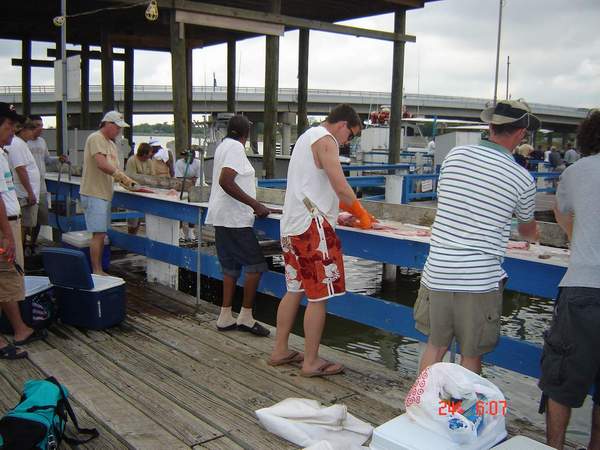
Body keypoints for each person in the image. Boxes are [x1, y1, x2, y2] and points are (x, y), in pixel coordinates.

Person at [414, 99, 539, 375]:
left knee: (435, 346)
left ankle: (420, 409)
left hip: (438, 271)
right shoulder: (522, 178)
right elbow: (526, 231)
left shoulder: (455, 156)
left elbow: (448, 199)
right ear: (521, 133)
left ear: (491, 126)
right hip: (479, 279)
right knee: (470, 355)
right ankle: (460, 415)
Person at [269, 104, 372, 377]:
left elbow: (311, 186)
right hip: (312, 229)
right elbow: (340, 185)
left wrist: (338, 214)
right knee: (319, 297)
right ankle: (311, 362)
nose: (348, 141)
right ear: (342, 125)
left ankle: (280, 349)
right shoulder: (327, 141)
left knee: (294, 289)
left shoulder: (306, 137)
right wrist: (362, 213)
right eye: (351, 135)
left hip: (292, 225)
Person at [538, 110, 600, 450]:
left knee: (560, 379)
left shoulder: (577, 172)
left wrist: (579, 239)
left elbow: (562, 210)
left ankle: (555, 446)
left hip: (584, 286)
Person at [205, 115, 273, 337]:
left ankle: (225, 316)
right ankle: (245, 316)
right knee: (255, 266)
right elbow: (226, 181)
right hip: (234, 219)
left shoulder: (224, 145)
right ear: (247, 132)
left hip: (221, 216)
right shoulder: (235, 148)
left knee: (231, 267)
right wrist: (256, 204)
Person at [0, 103, 46, 358]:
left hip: (9, 220)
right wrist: (7, 234)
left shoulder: (3, 152)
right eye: (8, 126)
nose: (12, 131)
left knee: (8, 281)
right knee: (5, 278)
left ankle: (20, 329)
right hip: (4, 223)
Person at [80, 111, 137, 275]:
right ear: (108, 124)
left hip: (105, 193)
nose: (119, 131)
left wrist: (125, 181)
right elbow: (101, 164)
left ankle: (98, 268)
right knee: (98, 234)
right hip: (94, 193)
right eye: (117, 127)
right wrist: (122, 177)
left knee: (102, 233)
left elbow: (114, 167)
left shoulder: (111, 144)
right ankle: (96, 270)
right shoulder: (96, 138)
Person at [26, 115, 67, 251]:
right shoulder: (24, 142)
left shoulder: (42, 142)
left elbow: (47, 160)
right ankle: (23, 242)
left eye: (41, 125)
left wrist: (59, 159)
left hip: (41, 186)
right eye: (37, 125)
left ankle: (33, 242)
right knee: (26, 219)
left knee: (41, 217)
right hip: (27, 186)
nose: (40, 128)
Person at [6, 117, 40, 252]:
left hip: (27, 193)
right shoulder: (16, 144)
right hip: (24, 194)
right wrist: (30, 192)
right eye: (31, 129)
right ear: (23, 130)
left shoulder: (21, 144)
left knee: (26, 225)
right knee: (22, 226)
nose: (33, 132)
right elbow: (20, 169)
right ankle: (20, 253)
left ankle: (22, 251)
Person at [125, 142, 154, 235]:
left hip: (145, 192)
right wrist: (144, 179)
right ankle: (131, 238)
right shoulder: (132, 160)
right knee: (132, 219)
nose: (151, 154)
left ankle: (135, 237)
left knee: (142, 219)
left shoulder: (149, 161)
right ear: (144, 153)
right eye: (149, 152)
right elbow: (130, 176)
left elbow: (152, 176)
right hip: (133, 193)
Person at [175, 149, 203, 241]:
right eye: (185, 156)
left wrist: (192, 180)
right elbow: (179, 178)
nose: (186, 158)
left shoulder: (198, 163)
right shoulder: (179, 163)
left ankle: (191, 231)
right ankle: (180, 232)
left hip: (193, 189)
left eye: (188, 156)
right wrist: (190, 179)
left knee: (192, 209)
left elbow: (199, 178)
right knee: (179, 208)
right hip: (181, 188)